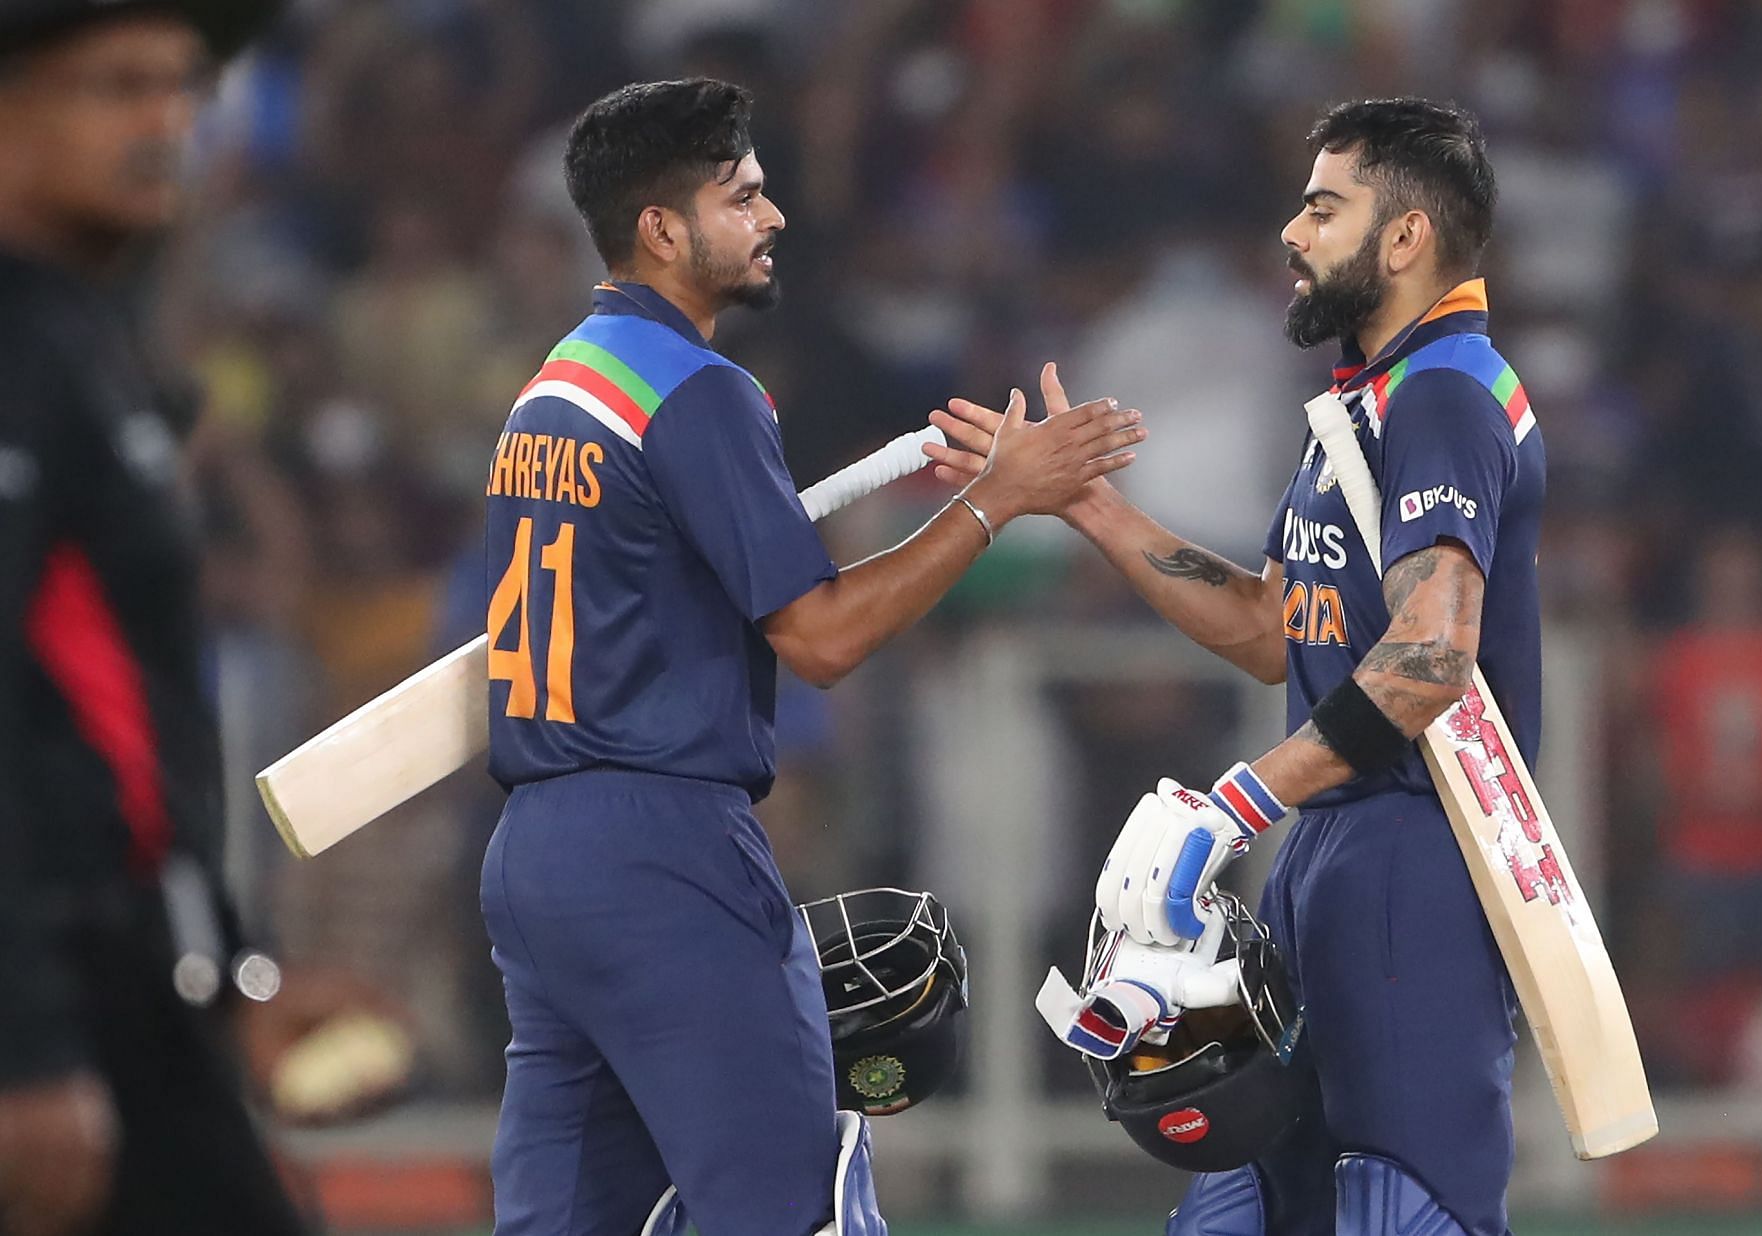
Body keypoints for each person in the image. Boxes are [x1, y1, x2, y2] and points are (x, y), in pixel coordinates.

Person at [478, 77, 1143, 1236]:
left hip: (535, 857)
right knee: (797, 1208)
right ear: (662, 228)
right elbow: (825, 636)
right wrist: (999, 502)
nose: (773, 214)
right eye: (741, 195)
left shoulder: (551, 393)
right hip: (665, 847)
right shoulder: (696, 392)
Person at [932, 99, 1537, 1236]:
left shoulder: (1446, 394)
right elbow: (1276, 628)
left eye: (1323, 207)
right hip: (1330, 860)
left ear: (1403, 239)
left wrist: (1239, 800)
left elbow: (1429, 657)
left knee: (1398, 1213)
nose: (1291, 235)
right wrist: (1096, 512)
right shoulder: (1360, 403)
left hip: (1414, 871)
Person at [0, 2, 309, 1235]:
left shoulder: (84, 339)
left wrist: (231, 971)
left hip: (130, 988)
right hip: (55, 1002)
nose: (164, 123)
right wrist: (23, 1042)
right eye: (116, 87)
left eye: (182, 87)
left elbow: (128, 716)